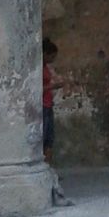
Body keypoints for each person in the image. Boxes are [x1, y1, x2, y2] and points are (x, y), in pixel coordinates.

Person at [42, 38, 74, 205]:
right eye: (52, 56)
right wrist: (53, 87)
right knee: (44, 139)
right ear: (45, 54)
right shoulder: (38, 67)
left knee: (49, 140)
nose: (53, 59)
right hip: (42, 106)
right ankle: (44, 170)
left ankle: (49, 170)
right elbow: (37, 88)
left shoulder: (46, 68)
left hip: (48, 104)